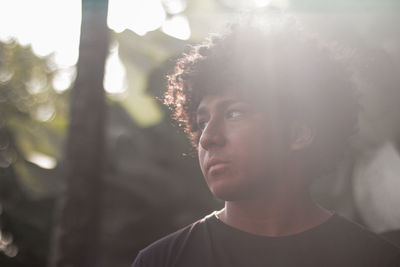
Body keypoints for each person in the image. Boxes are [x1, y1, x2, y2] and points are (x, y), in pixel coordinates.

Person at [131, 16, 400, 267]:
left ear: (298, 135)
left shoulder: (376, 258)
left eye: (234, 113)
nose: (208, 138)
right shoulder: (162, 261)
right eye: (201, 123)